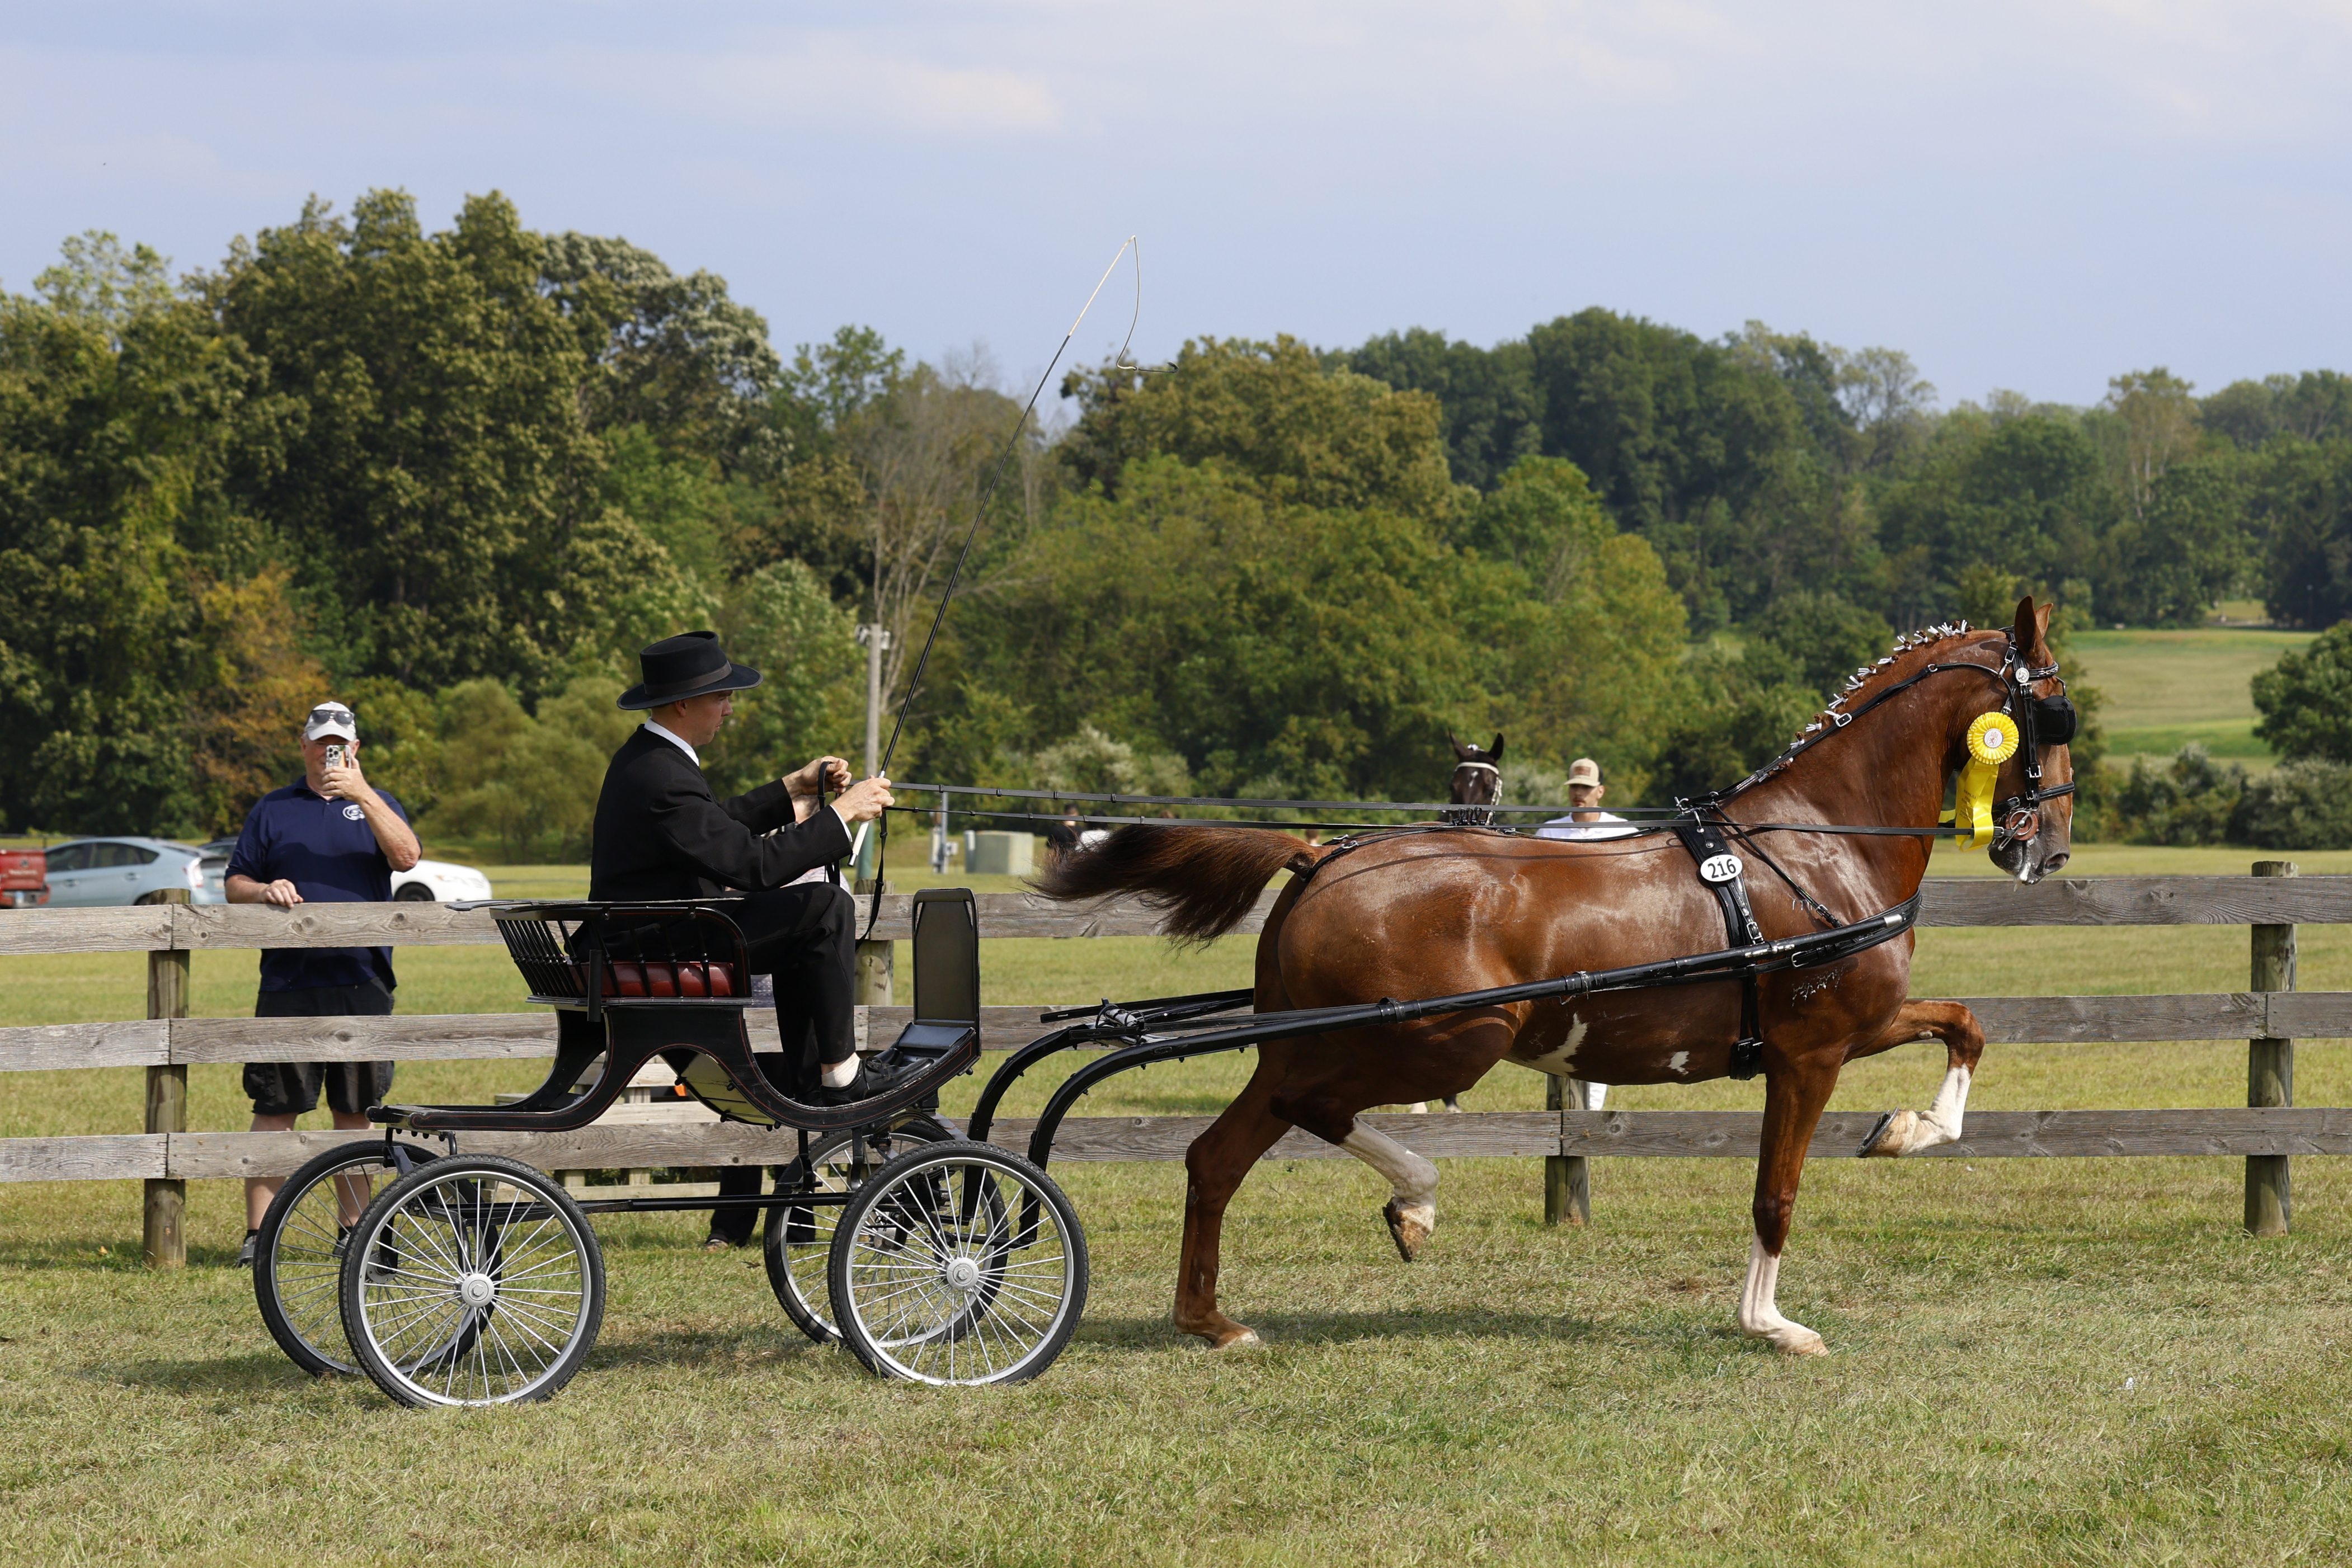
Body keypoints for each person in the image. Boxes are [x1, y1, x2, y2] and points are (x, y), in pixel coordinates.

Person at [587, 631, 899, 1249]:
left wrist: (795, 788)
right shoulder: (661, 774)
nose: (729, 708)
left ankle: (815, 1075)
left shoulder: (651, 761)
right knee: (826, 905)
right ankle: (838, 1073)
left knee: (813, 914)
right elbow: (751, 864)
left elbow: (717, 825)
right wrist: (843, 814)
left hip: (657, 942)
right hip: (665, 950)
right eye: (722, 697)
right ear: (684, 704)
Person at [228, 701, 422, 1268]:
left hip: (363, 975)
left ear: (355, 749)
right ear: (304, 746)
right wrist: (264, 890)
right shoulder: (274, 807)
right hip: (289, 978)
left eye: (339, 743)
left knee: (356, 1110)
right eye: (320, 742)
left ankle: (354, 1235)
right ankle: (259, 1237)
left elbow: (407, 857)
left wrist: (363, 794)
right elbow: (235, 882)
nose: (328, 752)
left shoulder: (379, 803)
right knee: (276, 1105)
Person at [1535, 757, 1635, 841]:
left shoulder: (1624, 831)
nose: (1578, 793)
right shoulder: (1549, 831)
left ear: (1600, 791)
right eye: (1574, 786)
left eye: (1586, 787)